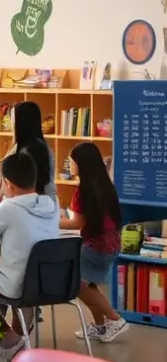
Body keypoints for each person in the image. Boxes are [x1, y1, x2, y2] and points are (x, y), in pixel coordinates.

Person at [0, 151, 60, 362]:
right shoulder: (51, 204)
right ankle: (18, 336)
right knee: (7, 280)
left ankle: (8, 337)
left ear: (7, 183)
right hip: (49, 282)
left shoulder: (9, 207)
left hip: (18, 284)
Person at [60, 142, 127, 343]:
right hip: (111, 245)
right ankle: (99, 326)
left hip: (95, 246)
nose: (70, 166)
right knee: (87, 284)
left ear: (81, 164)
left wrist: (51, 221)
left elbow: (77, 222)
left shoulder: (83, 192)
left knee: (79, 283)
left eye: (71, 162)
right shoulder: (107, 187)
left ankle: (115, 319)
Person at [0, 101, 55, 205]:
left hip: (27, 206)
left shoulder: (25, 153)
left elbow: (12, 182)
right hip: (46, 205)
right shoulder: (44, 148)